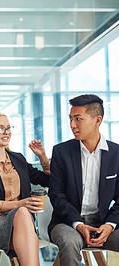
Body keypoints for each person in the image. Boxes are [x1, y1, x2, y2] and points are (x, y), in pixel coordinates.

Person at [0, 112, 50, 266]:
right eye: (0, 128)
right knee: (23, 215)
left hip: (22, 224)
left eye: (8, 128)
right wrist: (20, 204)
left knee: (23, 218)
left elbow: (47, 180)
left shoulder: (18, 158)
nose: (6, 132)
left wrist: (43, 157)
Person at [49, 94, 119, 265]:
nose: (72, 125)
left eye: (78, 119)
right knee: (70, 241)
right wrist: (78, 224)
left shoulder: (117, 154)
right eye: (71, 119)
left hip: (103, 224)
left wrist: (110, 225)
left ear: (97, 120)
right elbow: (57, 195)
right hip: (68, 223)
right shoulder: (61, 152)